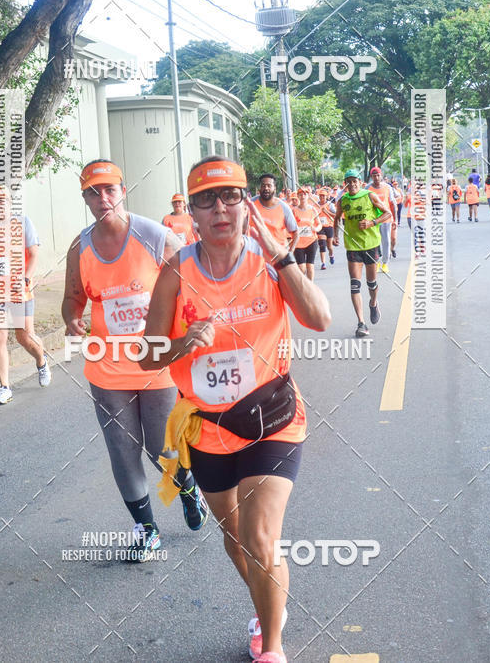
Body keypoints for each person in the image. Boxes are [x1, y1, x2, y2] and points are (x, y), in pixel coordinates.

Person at [140, 156, 331, 663]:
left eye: (230, 196)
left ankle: (271, 647)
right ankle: (271, 604)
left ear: (245, 205)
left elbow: (319, 318)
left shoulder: (270, 260)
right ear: (191, 214)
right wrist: (182, 343)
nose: (219, 208)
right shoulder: (176, 271)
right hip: (206, 430)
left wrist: (283, 256)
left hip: (272, 420)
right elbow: (147, 353)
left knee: (260, 536)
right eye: (206, 200)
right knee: (236, 541)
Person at [61, 159, 208, 561]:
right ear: (85, 198)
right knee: (123, 449)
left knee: (161, 452)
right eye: (93, 191)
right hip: (107, 367)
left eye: (109, 189)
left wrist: (189, 335)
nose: (102, 198)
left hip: (156, 361)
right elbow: (72, 299)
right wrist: (73, 320)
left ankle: (188, 488)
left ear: (122, 190)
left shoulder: (155, 236)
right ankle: (146, 528)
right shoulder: (81, 246)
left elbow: (194, 287)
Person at [0, 186, 50, 405]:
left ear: (10, 202)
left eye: (2, 200)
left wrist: (26, 278)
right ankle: (4, 387)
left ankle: (41, 361)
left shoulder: (23, 223)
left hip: (19, 290)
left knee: (24, 337)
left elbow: (34, 253)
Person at [332, 170, 391, 338]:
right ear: (345, 184)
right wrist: (335, 236)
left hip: (371, 245)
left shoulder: (370, 196)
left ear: (360, 182)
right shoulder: (343, 200)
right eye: (348, 181)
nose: (352, 184)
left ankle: (373, 303)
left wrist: (372, 222)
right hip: (353, 247)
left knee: (371, 283)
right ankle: (361, 323)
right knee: (355, 285)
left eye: (354, 181)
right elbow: (337, 218)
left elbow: (388, 213)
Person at [252, 173, 299, 254]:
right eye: (263, 185)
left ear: (274, 188)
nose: (266, 188)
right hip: (255, 255)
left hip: (277, 255)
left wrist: (290, 252)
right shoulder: (250, 204)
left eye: (269, 186)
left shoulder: (284, 207)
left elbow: (295, 232)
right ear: (259, 188)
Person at [368, 166, 397, 273]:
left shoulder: (387, 187)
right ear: (371, 177)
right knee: (374, 242)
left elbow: (393, 203)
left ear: (381, 175)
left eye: (378, 175)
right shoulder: (367, 189)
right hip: (373, 220)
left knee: (386, 241)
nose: (376, 177)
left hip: (385, 218)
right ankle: (376, 261)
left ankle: (385, 263)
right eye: (374, 176)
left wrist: (395, 220)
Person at [292, 188, 320, 280]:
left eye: (304, 194)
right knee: (301, 268)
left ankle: (310, 286)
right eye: (300, 194)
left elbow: (319, 224)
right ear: (298, 196)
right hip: (298, 242)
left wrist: (315, 228)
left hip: (311, 240)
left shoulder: (312, 210)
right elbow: (289, 226)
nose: (302, 196)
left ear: (308, 196)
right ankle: (303, 285)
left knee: (310, 266)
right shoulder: (294, 211)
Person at [315, 189, 336, 269]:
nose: (322, 197)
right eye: (320, 196)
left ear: (326, 196)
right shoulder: (316, 205)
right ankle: (323, 263)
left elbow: (335, 214)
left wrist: (327, 211)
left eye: (323, 196)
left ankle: (331, 254)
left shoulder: (330, 204)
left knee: (329, 246)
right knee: (322, 245)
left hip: (329, 226)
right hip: (320, 227)